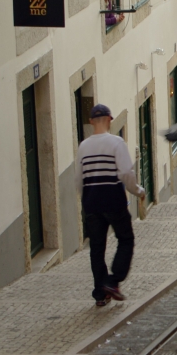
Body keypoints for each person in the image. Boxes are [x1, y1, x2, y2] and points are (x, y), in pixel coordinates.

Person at [75, 104, 145, 307]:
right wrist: (139, 191)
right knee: (126, 240)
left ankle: (100, 293)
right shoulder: (116, 143)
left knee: (96, 249)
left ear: (91, 122)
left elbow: (78, 179)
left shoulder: (83, 146)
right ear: (109, 120)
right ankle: (113, 282)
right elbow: (125, 173)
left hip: (92, 203)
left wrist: (86, 201)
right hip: (114, 201)